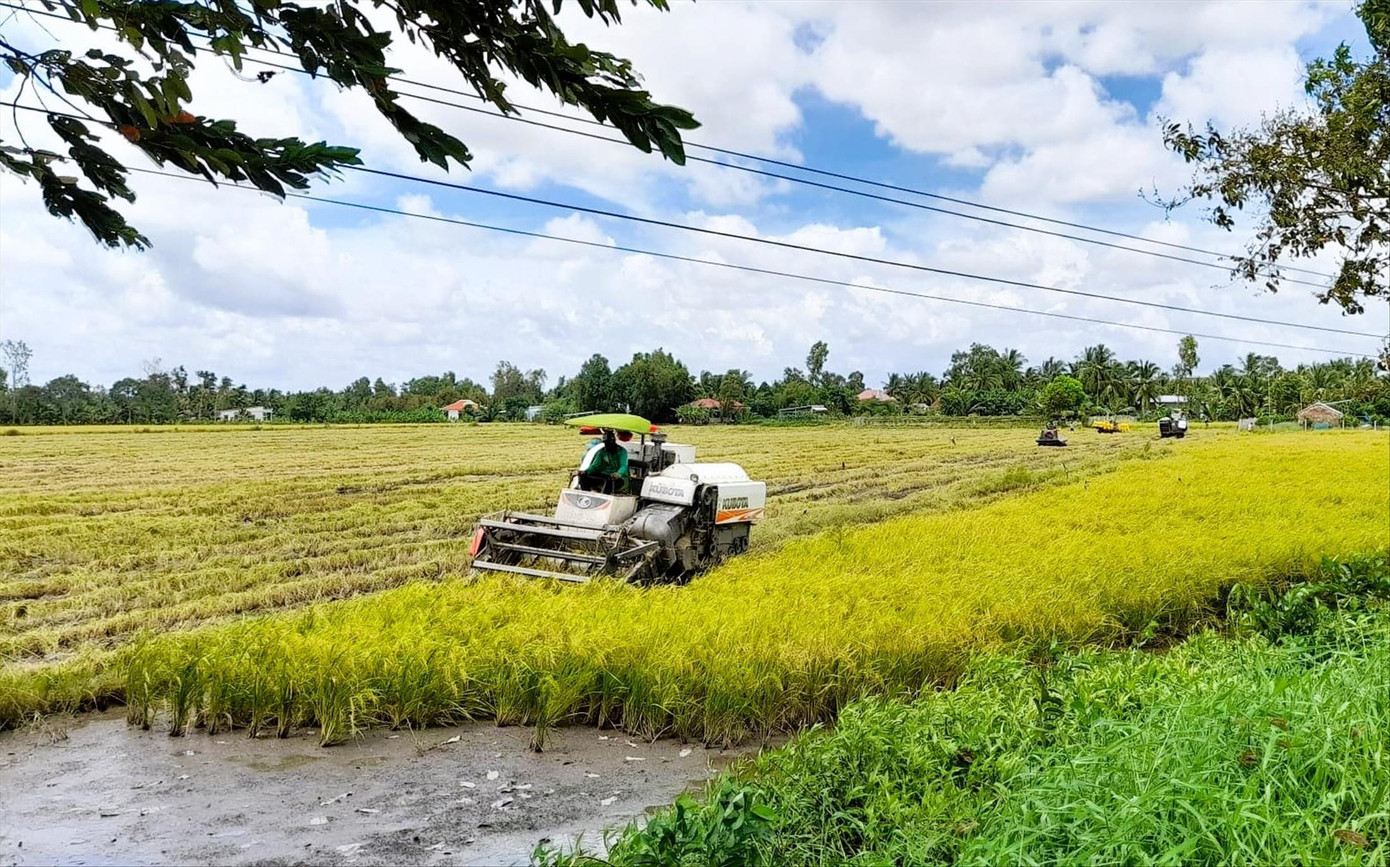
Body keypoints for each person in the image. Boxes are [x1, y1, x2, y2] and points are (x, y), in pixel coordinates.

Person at [577, 428, 629, 493]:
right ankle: (586, 495)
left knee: (609, 482)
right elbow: (596, 466)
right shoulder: (602, 451)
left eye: (609, 443)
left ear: (613, 441)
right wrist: (586, 471)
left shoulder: (622, 451)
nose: (607, 445)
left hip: (619, 478)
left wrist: (618, 474)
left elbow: (624, 466)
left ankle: (604, 497)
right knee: (583, 478)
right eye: (605, 443)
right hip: (604, 476)